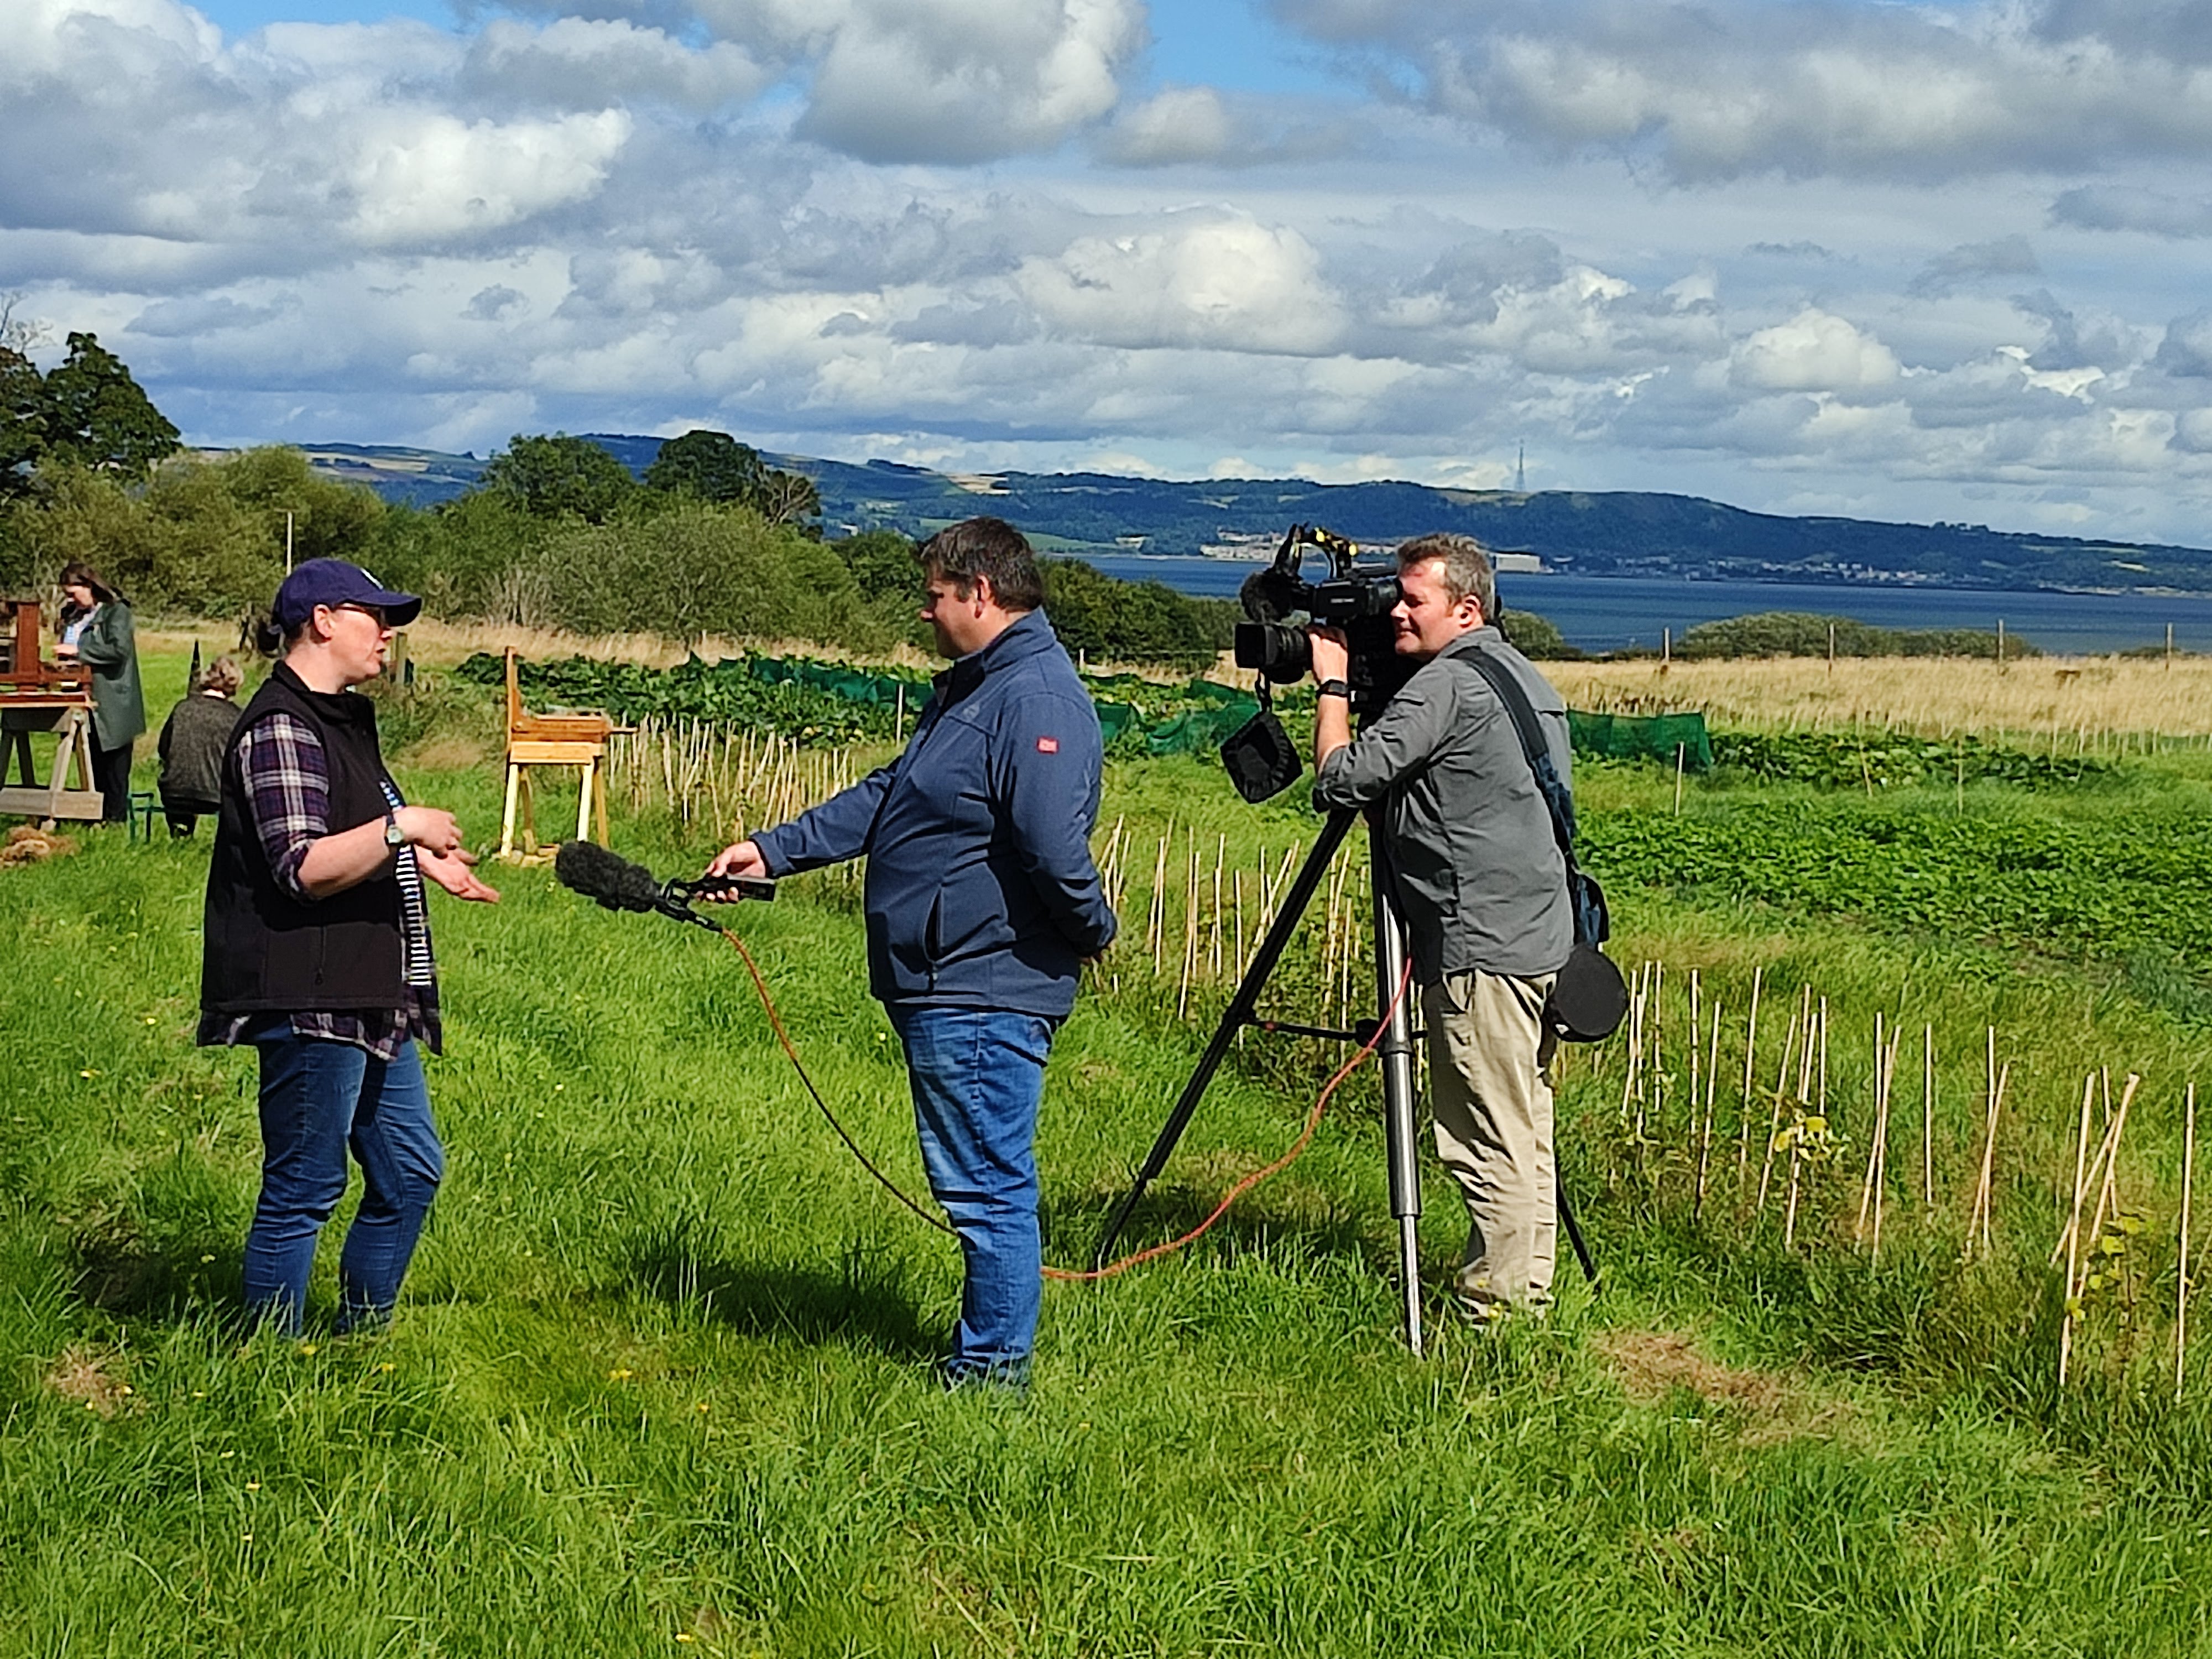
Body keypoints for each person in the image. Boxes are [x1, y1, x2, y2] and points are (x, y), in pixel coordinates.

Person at [706, 517, 1116, 1387]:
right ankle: (989, 1361)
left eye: (934, 596)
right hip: (947, 973)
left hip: (984, 976)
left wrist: (1094, 928)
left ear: (981, 593)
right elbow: (894, 794)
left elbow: (1050, 843)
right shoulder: (976, 687)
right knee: (976, 1179)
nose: (924, 613)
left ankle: (991, 1374)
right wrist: (774, 851)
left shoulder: (1034, 697)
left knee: (987, 1188)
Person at [199, 559, 499, 1335]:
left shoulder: (344, 716)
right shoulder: (280, 727)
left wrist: (427, 860)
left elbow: (356, 824)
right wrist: (405, 829)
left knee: (409, 1171)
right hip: (310, 987)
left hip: (370, 985)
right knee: (305, 1184)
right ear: (323, 620)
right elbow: (301, 864)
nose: (390, 632)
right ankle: (267, 1363)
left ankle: (363, 1340)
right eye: (376, 615)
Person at [1306, 533, 1574, 1326]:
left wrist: (1334, 688)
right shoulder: (1524, 677)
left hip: (1478, 947)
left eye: (1411, 599)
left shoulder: (1446, 688)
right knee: (1526, 1133)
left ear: (1466, 609)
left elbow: (1344, 782)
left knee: (1486, 1141)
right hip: (1539, 937)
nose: (1394, 610)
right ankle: (1528, 1305)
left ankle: (1491, 1317)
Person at [53, 560, 144, 822]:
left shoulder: (117, 613)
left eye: (73, 593)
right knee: (91, 760)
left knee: (115, 764)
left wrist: (79, 653)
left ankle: (115, 820)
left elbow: (119, 651)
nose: (71, 599)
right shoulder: (72, 615)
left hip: (112, 698)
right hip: (80, 695)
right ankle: (94, 814)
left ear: (89, 585)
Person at [156, 654, 244, 837]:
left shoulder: (182, 708)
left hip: (174, 793)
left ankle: (180, 832)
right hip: (216, 795)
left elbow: (164, 749)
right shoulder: (236, 717)